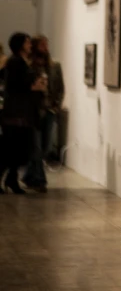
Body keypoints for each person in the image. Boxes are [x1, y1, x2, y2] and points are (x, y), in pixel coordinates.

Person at [0, 33, 46, 194]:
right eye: (27, 43)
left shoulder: (21, 62)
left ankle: (11, 180)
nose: (29, 45)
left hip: (21, 113)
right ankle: (9, 179)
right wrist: (35, 87)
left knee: (17, 151)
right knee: (11, 150)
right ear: (20, 45)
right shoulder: (14, 62)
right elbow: (16, 85)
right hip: (15, 115)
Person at [23, 35, 64, 192]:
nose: (45, 47)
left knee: (45, 147)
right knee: (37, 147)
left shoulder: (55, 66)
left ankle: (29, 176)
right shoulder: (29, 67)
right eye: (42, 44)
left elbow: (60, 88)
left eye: (46, 44)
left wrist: (56, 106)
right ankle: (40, 180)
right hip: (33, 111)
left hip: (49, 111)